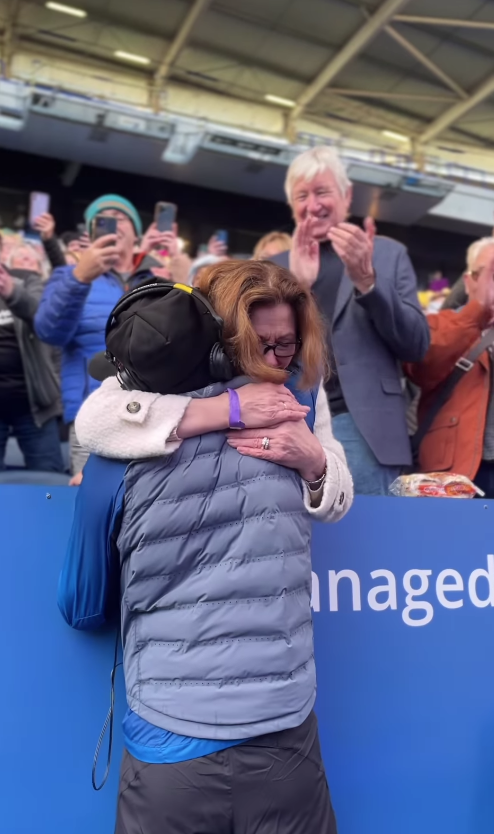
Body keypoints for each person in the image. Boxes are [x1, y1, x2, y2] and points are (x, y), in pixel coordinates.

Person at [59, 260, 353, 834]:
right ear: (218, 339)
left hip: (256, 730)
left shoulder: (298, 403)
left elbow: (83, 604)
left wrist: (314, 462)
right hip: (211, 736)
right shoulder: (146, 404)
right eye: (260, 344)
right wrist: (226, 411)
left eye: (287, 345)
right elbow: (93, 419)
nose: (277, 360)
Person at [272, 145, 430, 495]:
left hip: (364, 425)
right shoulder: (274, 265)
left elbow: (417, 345)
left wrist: (367, 281)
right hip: (290, 417)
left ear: (346, 196)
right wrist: (298, 289)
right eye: (302, 195)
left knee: (368, 539)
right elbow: (257, 349)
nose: (313, 205)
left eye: (323, 192)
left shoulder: (387, 254)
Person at [34, 194, 162, 479]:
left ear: (136, 234)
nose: (113, 222)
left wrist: (180, 283)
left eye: (121, 217)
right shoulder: (69, 275)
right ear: (91, 234)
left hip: (154, 413)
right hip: (92, 415)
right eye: (103, 219)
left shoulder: (158, 280)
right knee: (93, 506)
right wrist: (80, 278)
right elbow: (48, 332)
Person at [405, 238, 494, 495]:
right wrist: (478, 312)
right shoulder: (442, 323)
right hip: (457, 473)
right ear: (469, 282)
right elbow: (423, 367)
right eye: (490, 273)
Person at [0, 250, 62, 472]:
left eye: (30, 257)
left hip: (34, 405)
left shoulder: (32, 282)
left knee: (48, 483)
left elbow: (42, 315)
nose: (25, 260)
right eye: (20, 256)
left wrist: (11, 292)